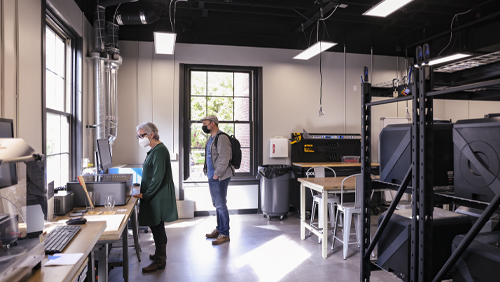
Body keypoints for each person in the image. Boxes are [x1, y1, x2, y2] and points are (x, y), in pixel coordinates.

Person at [133, 122, 178, 273]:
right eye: (138, 136)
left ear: (151, 134)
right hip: (154, 194)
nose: (140, 139)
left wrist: (146, 194)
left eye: (142, 135)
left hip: (157, 196)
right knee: (155, 226)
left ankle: (160, 261)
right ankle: (159, 254)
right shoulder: (154, 150)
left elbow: (157, 178)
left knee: (158, 227)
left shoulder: (159, 150)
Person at [201, 115, 234, 245]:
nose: (204, 126)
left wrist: (217, 173)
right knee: (217, 204)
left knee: (220, 204)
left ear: (213, 124)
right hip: (212, 175)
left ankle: (225, 233)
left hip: (220, 176)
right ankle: (220, 229)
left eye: (205, 123)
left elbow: (224, 157)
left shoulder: (222, 137)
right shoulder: (211, 138)